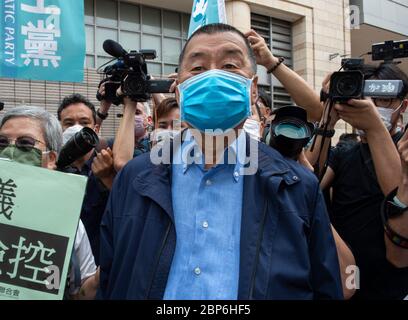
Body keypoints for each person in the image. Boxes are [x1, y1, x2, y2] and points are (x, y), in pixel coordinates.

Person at [98, 23, 342, 300]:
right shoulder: (135, 177)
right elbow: (111, 277)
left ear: (252, 89)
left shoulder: (297, 186)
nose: (213, 76)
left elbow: (325, 287)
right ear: (178, 91)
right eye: (198, 68)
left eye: (229, 65)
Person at [316, 63, 408, 299]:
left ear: (402, 106)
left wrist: (374, 127)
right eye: (365, 97)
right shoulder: (344, 152)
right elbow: (308, 184)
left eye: (383, 100)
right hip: (346, 274)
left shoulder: (404, 149)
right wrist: (327, 119)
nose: (372, 106)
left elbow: (398, 199)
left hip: (393, 278)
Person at [0, 105, 98, 299]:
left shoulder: (67, 219)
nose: (10, 151)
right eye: (2, 142)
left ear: (51, 159)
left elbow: (83, 288)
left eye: (25, 144)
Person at [57, 94, 115, 265]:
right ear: (59, 128)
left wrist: (109, 180)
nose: (77, 128)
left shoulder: (111, 164)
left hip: (102, 263)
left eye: (84, 123)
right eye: (68, 123)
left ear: (95, 129)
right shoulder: (51, 169)